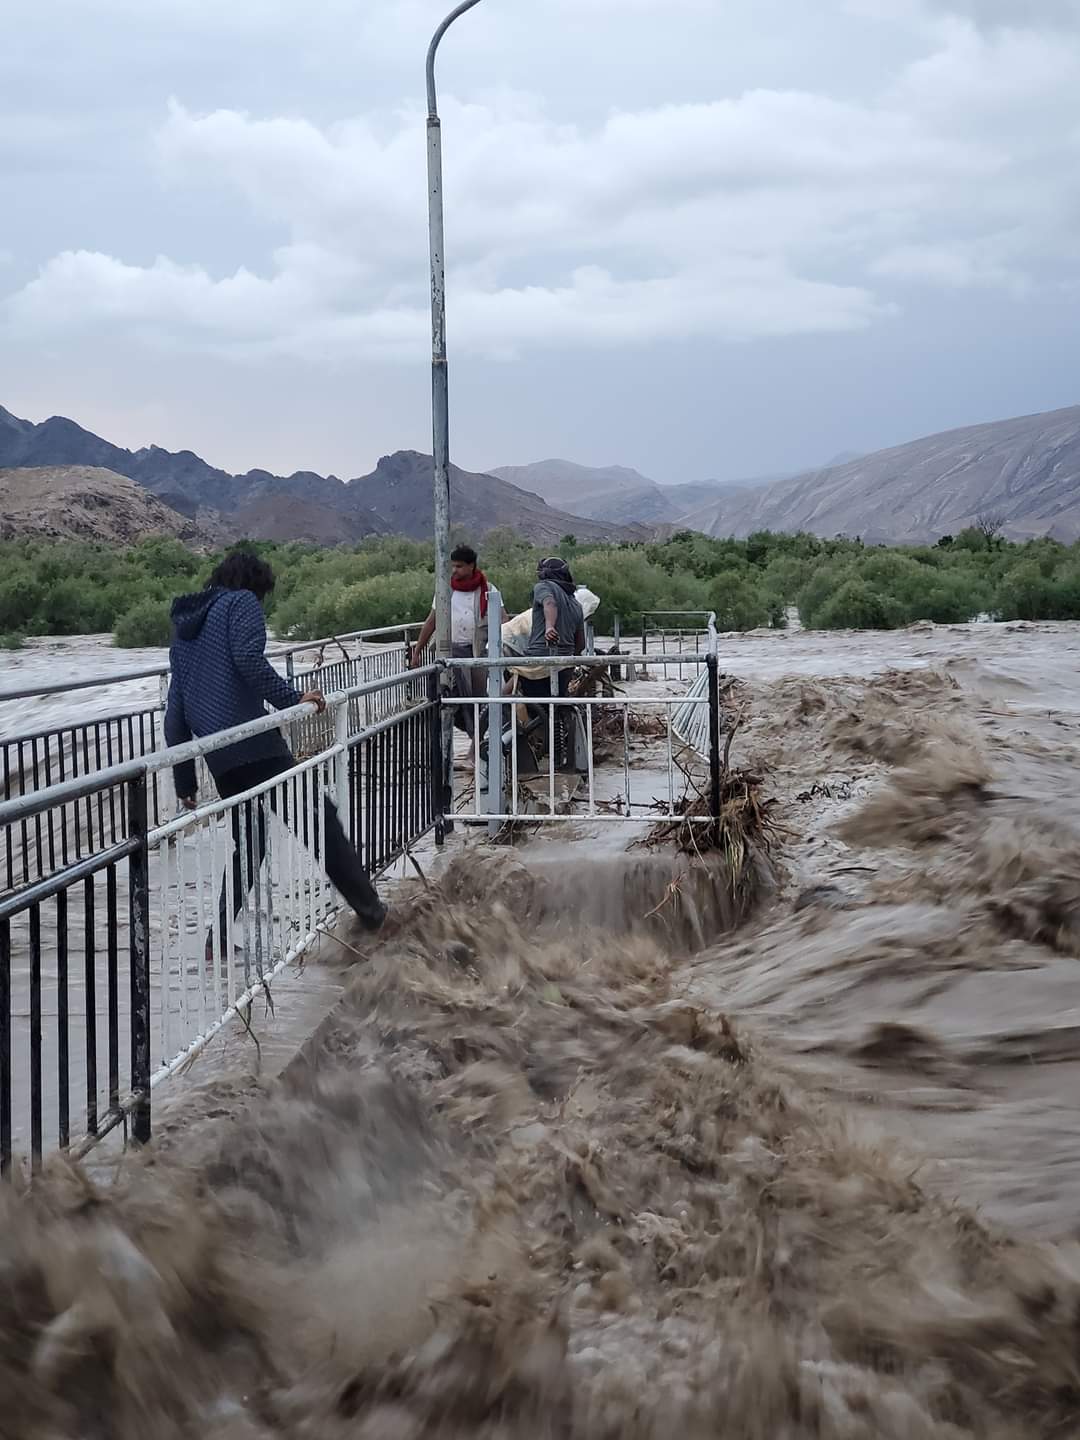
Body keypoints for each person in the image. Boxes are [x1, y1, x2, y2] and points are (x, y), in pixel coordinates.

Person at [164, 549, 385, 961]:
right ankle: (373, 914)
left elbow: (175, 716)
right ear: (254, 584)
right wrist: (293, 698)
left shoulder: (184, 633)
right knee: (320, 821)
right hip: (256, 746)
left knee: (250, 843)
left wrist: (185, 780)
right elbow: (248, 659)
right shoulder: (240, 603)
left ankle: (216, 940)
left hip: (219, 757)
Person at [410, 543, 508, 741]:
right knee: (445, 695)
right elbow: (432, 621)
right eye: (453, 566)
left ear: (472, 566)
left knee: (476, 699)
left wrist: (502, 650)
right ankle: (442, 744)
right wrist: (417, 650)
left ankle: (476, 743)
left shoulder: (487, 590)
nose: (455, 570)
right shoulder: (446, 590)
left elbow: (503, 620)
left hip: (476, 653)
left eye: (459, 566)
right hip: (448, 653)